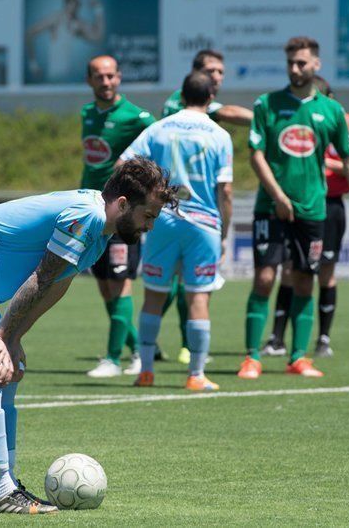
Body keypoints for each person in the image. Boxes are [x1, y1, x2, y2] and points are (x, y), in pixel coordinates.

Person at [0, 158, 174, 514]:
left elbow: (55, 287)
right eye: (148, 215)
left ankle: (7, 486)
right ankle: (2, 494)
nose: (150, 226)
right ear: (123, 204)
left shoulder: (99, 234)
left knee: (11, 371)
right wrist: (2, 335)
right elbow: (41, 277)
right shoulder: (88, 217)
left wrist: (14, 337)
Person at [237, 36, 349, 380]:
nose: (295, 68)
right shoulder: (267, 104)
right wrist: (278, 197)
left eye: (301, 63)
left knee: (305, 281)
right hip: (271, 208)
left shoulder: (332, 112)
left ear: (316, 65)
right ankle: (252, 356)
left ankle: (299, 357)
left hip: (313, 209)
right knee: (264, 278)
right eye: (290, 62)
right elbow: (256, 155)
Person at [122, 72, 234, 391]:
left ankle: (145, 371)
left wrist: (144, 199)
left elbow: (123, 164)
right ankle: (196, 375)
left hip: (163, 220)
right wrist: (224, 231)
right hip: (204, 224)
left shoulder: (159, 128)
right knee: (198, 297)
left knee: (154, 296)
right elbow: (225, 191)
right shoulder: (219, 134)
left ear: (181, 96)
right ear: (211, 98)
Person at [263, 75, 349, 359]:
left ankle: (323, 338)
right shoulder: (296, 121)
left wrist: (327, 163)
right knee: (290, 268)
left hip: (331, 205)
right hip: (298, 203)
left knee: (325, 272)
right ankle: (277, 338)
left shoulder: (348, 124)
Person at [160, 49, 253, 365]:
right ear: (197, 73)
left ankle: (163, 345)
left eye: (221, 72)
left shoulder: (202, 106)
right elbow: (227, 112)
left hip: (191, 210)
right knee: (175, 285)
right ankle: (147, 346)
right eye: (212, 71)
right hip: (175, 209)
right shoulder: (182, 103)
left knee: (178, 284)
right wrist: (268, 118)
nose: (217, 77)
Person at [81, 55, 157, 379]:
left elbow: (158, 142)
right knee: (106, 290)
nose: (106, 81)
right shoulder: (86, 114)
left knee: (121, 284)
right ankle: (140, 351)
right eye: (100, 76)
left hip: (122, 212)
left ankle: (113, 359)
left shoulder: (137, 117)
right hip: (91, 209)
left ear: (119, 78)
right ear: (90, 80)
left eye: (111, 76)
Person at [25, 0, 105, 83]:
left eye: (77, 4)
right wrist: (33, 64)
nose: (75, 6)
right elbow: (30, 33)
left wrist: (98, 10)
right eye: (73, 3)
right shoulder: (56, 18)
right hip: (53, 76)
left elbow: (97, 38)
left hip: (68, 77)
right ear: (67, 3)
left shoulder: (78, 24)